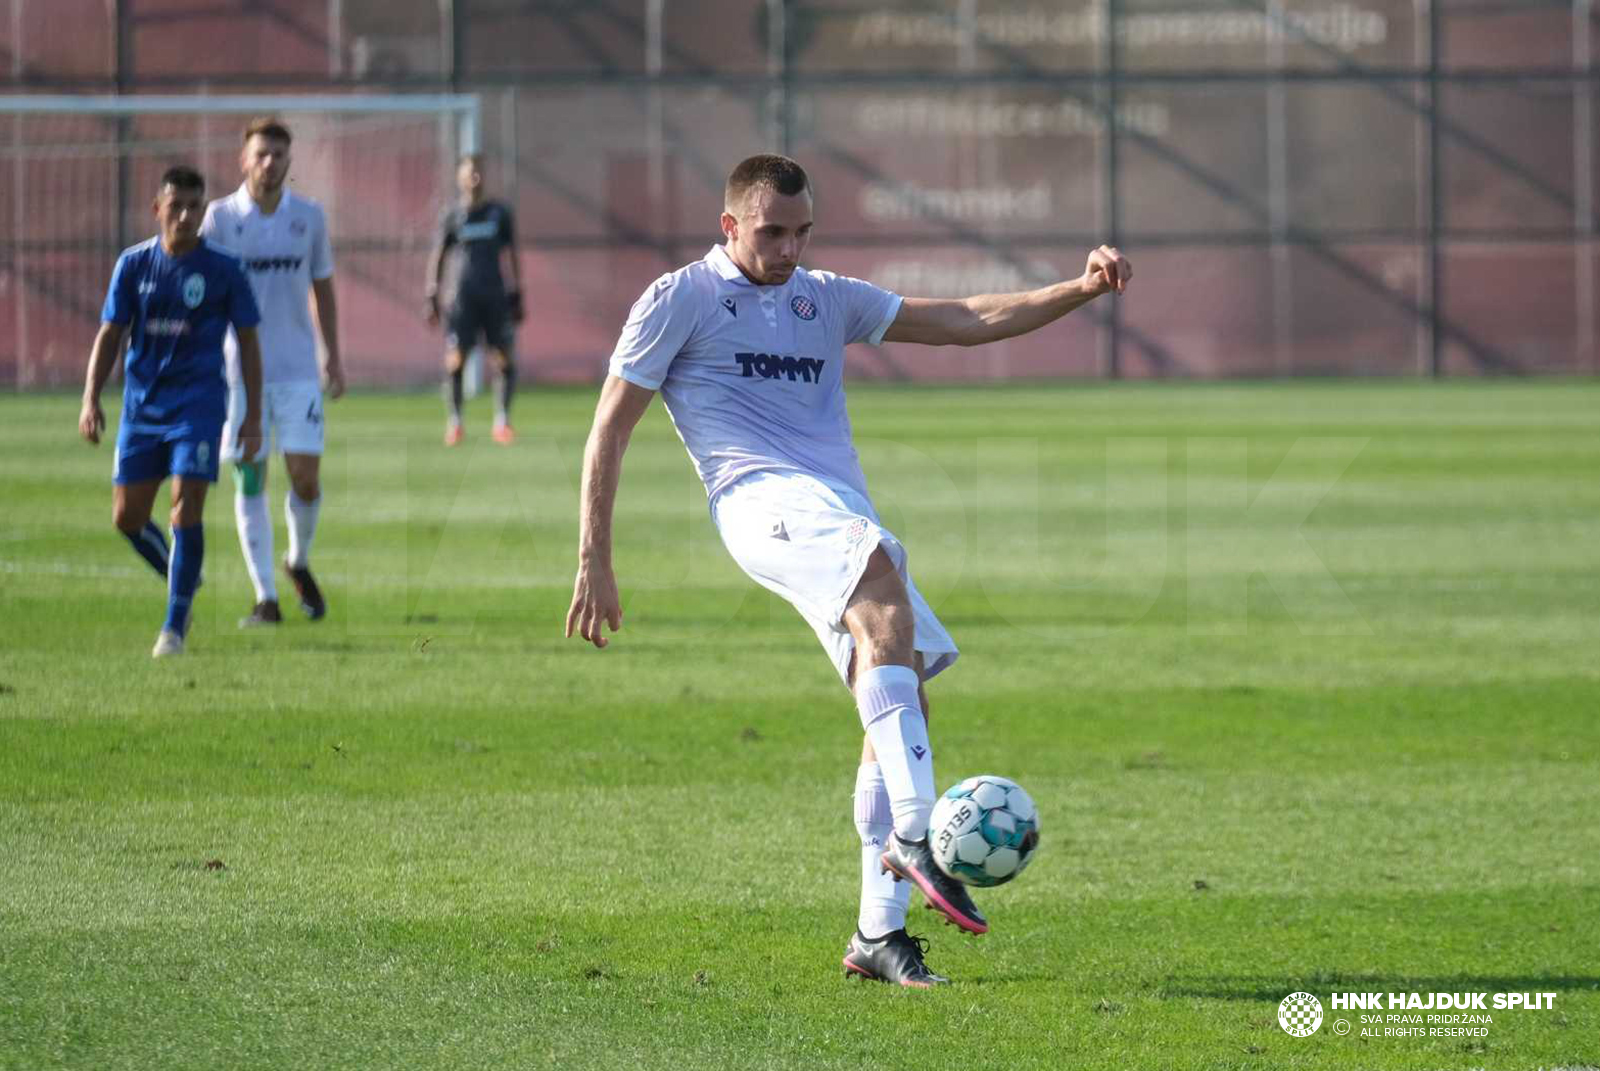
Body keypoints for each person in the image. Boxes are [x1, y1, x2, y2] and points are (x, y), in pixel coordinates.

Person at [564, 154, 1131, 987]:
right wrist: (594, 558)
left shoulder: (823, 298)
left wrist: (1077, 290)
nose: (789, 248)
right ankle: (916, 834)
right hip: (756, 500)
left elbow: (966, 317)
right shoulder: (680, 298)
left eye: (801, 232)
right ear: (730, 226)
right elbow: (609, 427)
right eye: (770, 232)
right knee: (880, 596)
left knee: (898, 689)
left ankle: (877, 934)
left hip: (831, 505)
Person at [78, 165, 264, 657]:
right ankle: (183, 573)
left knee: (186, 507)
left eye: (194, 207)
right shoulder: (133, 265)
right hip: (143, 410)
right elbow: (110, 334)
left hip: (199, 407)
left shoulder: (223, 269)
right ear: (157, 208)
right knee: (127, 517)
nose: (185, 215)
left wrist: (252, 416)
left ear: (204, 211)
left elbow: (248, 341)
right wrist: (90, 397)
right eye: (176, 205)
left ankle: (174, 626)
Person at [201, 117, 342, 628]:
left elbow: (323, 287)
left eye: (278, 154)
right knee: (250, 475)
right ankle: (266, 598)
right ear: (244, 160)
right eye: (261, 154)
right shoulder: (218, 220)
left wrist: (334, 354)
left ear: (289, 161)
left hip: (299, 369)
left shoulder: (309, 217)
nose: (270, 162)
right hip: (240, 375)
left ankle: (296, 562)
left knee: (306, 478)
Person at [425, 154, 524, 446]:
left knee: (504, 360)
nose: (475, 178)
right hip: (462, 300)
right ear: (460, 177)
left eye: (479, 173)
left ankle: (502, 422)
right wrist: (432, 293)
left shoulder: (499, 213)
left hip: (495, 297)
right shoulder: (452, 216)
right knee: (456, 361)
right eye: (470, 173)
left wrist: (517, 292)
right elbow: (439, 256)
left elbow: (512, 254)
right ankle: (455, 423)